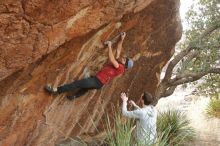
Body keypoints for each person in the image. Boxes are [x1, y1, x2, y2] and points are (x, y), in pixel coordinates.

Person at [44, 32, 134, 100]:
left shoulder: (121, 68)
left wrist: (109, 46)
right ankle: (74, 96)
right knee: (85, 87)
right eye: (125, 58)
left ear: (125, 65)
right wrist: (122, 39)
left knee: (77, 84)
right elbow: (118, 50)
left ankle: (56, 90)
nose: (123, 58)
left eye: (125, 60)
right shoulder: (121, 62)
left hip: (97, 81)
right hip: (99, 83)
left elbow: (112, 59)